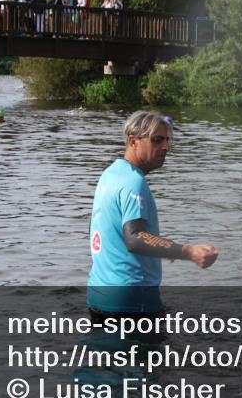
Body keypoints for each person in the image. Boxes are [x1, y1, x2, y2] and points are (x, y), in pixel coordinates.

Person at [87, 111, 218, 326]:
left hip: (99, 296)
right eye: (157, 140)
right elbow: (135, 238)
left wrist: (161, 248)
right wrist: (187, 251)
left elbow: (99, 228)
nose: (166, 147)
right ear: (133, 141)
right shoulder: (133, 182)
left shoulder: (110, 174)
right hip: (132, 301)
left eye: (167, 140)